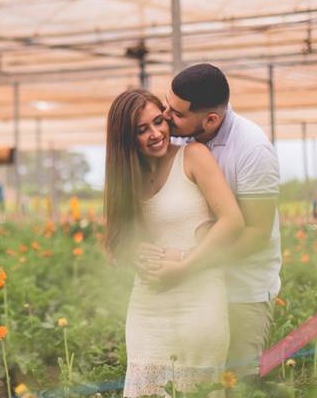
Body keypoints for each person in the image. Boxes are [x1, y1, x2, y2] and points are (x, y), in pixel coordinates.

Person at [140, 63, 282, 379]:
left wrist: (188, 261)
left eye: (176, 113)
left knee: (234, 380)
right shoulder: (175, 138)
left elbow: (257, 234)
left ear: (211, 120)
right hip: (190, 288)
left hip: (240, 289)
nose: (164, 115)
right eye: (166, 103)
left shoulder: (252, 149)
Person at [104, 89, 244, 397]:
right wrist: (132, 253)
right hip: (147, 307)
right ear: (126, 138)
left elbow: (233, 222)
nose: (156, 134)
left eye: (158, 122)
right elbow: (116, 245)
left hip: (199, 299)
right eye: (142, 130)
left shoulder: (192, 156)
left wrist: (184, 266)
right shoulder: (127, 177)